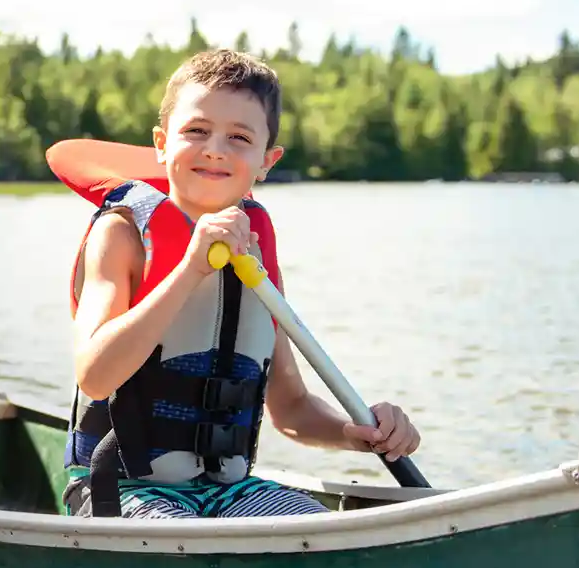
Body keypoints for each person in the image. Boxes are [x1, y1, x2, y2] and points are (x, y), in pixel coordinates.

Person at [60, 49, 422, 519]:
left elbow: (290, 409)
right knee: (184, 543)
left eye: (239, 137)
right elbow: (95, 374)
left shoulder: (255, 250)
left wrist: (352, 433)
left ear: (266, 160)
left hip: (227, 492)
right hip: (117, 485)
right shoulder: (122, 234)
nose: (215, 148)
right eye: (196, 130)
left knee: (323, 532)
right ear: (161, 143)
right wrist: (189, 269)